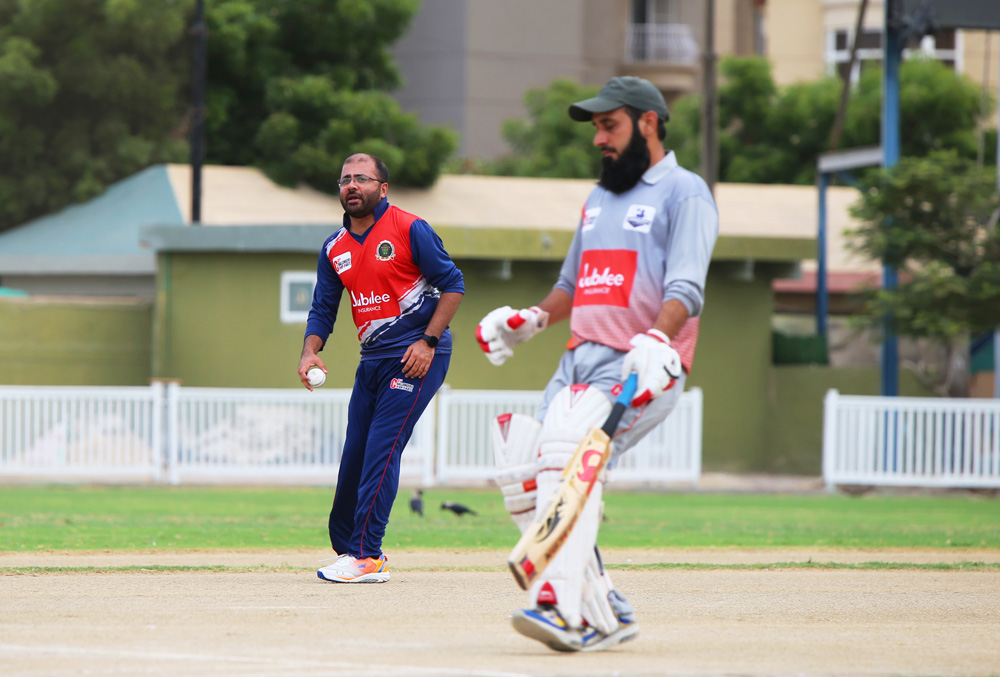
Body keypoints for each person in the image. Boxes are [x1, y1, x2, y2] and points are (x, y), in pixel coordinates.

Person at [477, 76, 718, 650]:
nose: (598, 140)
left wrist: (657, 341)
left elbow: (687, 288)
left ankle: (562, 611)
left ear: (649, 123)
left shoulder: (686, 192)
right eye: (596, 129)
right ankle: (604, 607)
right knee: (521, 470)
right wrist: (531, 319)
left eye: (609, 126)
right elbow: (573, 285)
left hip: (640, 363)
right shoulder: (598, 199)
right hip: (576, 361)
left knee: (568, 463)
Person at [299, 152, 464, 584]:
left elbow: (453, 284)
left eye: (362, 178)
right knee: (355, 453)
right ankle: (349, 550)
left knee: (382, 450)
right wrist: (310, 351)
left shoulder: (410, 228)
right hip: (371, 359)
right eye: (345, 180)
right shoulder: (334, 247)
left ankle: (369, 556)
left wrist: (428, 342)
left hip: (415, 356)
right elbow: (323, 307)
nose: (352, 186)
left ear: (382, 188)